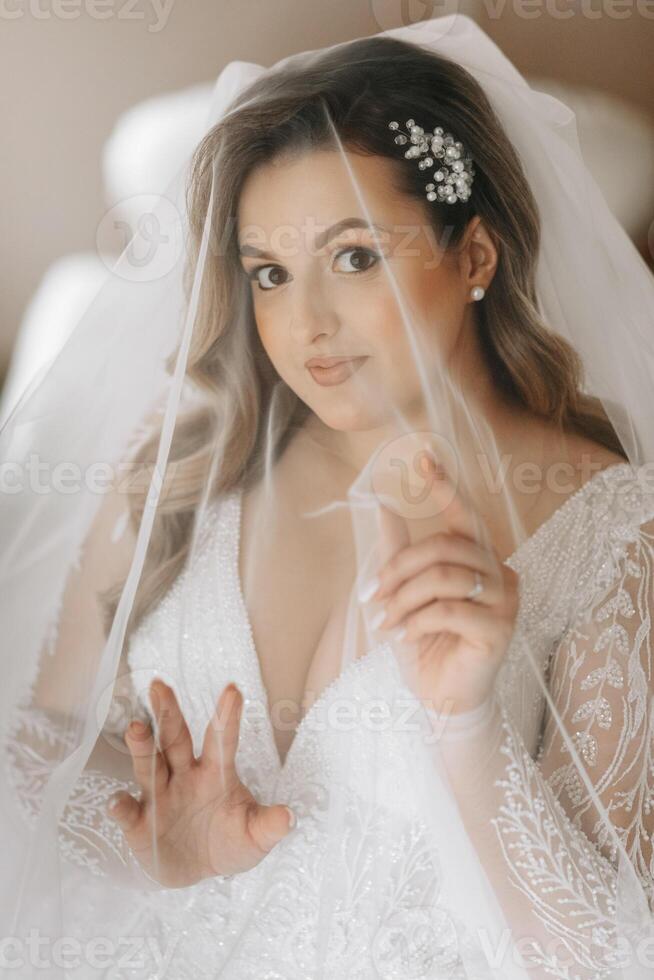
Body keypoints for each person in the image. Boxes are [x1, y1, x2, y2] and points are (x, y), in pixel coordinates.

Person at [1, 14, 653, 980]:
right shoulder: (180, 465)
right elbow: (33, 748)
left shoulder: (612, 528)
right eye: (269, 273)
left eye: (355, 257)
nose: (304, 322)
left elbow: (609, 956)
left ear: (474, 255)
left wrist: (467, 727)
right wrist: (150, 846)